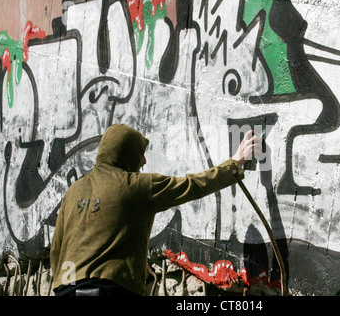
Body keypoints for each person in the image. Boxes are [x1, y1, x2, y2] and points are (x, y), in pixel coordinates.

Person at [50, 123, 261, 296]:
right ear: (127, 153)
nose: (144, 160)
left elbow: (56, 250)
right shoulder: (136, 186)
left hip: (65, 290)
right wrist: (235, 162)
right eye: (140, 153)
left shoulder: (72, 192)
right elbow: (192, 185)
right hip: (109, 290)